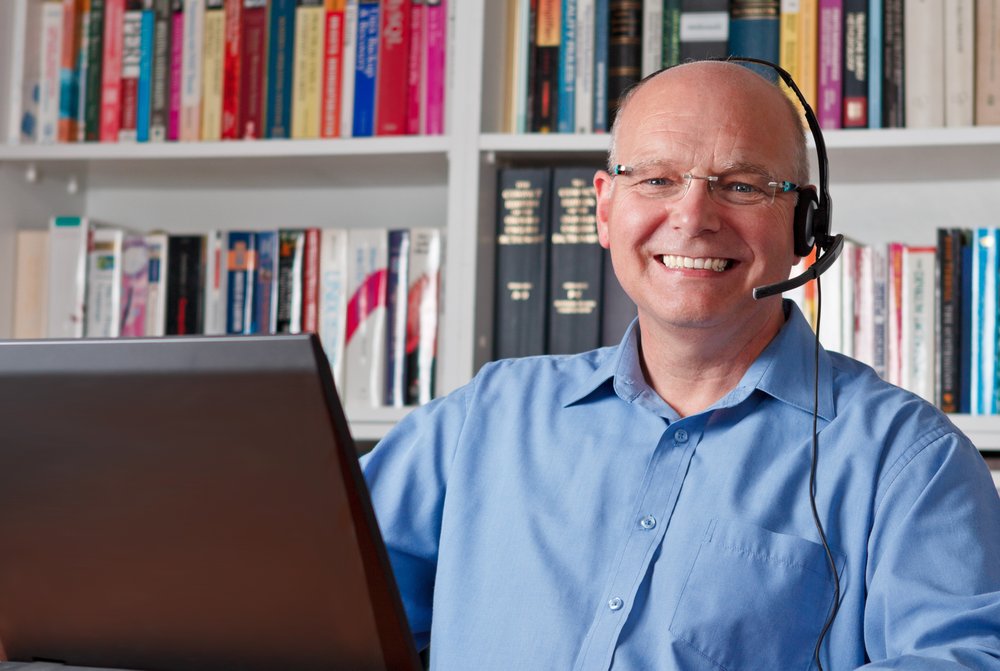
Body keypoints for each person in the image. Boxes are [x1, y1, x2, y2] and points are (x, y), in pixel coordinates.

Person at [360, 60, 1000, 670]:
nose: (693, 218)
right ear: (606, 208)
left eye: (743, 185)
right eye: (657, 179)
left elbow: (963, 658)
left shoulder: (908, 458)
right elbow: (316, 592)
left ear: (806, 223)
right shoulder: (486, 415)